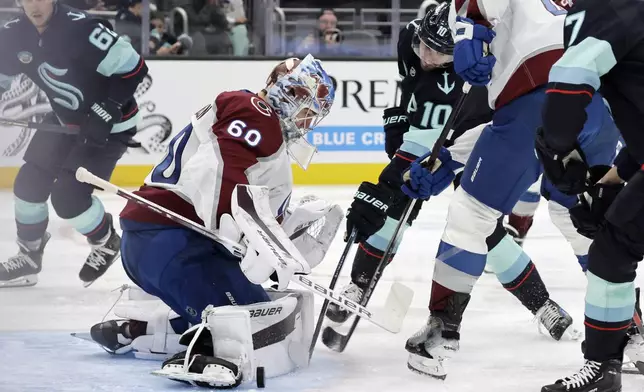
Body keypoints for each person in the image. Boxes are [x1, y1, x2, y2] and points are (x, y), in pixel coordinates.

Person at [324, 1, 580, 356]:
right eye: (423, 47)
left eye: (436, 53)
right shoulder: (409, 39)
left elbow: (492, 113)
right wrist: (399, 118)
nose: (426, 57)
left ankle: (541, 304)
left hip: (472, 136)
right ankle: (359, 285)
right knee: (391, 204)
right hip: (425, 136)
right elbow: (408, 85)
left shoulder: (487, 57)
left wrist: (453, 155)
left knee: (482, 228)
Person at [397, 0, 622, 379]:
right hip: (601, 105)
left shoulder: (487, 32)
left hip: (535, 95)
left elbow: (518, 119)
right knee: (582, 219)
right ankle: (631, 335)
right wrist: (450, 158)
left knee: (471, 214)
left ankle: (440, 333)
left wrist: (469, 30)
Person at [87, 55, 340, 387]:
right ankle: (207, 352)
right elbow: (219, 174)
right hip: (176, 244)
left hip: (161, 246)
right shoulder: (257, 112)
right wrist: (241, 232)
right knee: (251, 322)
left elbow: (241, 203)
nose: (309, 122)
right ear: (291, 95)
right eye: (309, 110)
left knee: (257, 308)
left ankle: (141, 331)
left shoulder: (259, 121)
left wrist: (287, 235)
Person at [534, 0, 644, 390]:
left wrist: (556, 144)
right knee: (611, 251)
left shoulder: (605, 7)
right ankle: (603, 368)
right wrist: (616, 177)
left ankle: (602, 368)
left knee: (611, 253)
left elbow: (570, 77)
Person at [0, 0, 148, 287]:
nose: (34, 5)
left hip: (110, 126)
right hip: (63, 120)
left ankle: (106, 240)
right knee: (28, 186)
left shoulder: (83, 28)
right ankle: (29, 257)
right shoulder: (13, 34)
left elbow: (134, 68)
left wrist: (108, 108)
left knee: (68, 199)